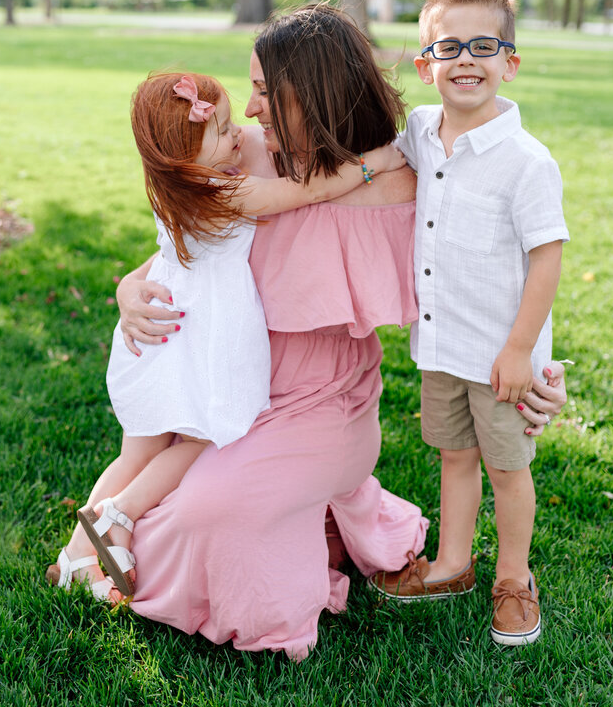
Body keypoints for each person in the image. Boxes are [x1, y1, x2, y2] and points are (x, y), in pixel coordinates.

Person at [112, 4, 568, 659]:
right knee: (162, 493)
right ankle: (314, 522)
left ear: (315, 93)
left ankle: (302, 555)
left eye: (266, 92)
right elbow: (186, 252)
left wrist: (538, 366)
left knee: (205, 512)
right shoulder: (249, 158)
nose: (248, 109)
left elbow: (506, 269)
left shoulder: (401, 186)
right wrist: (129, 290)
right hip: (237, 392)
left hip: (324, 406)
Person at [47, 69, 404, 602]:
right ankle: (119, 514)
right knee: (199, 438)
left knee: (136, 452)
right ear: (189, 157)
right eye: (222, 132)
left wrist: (129, 283)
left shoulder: (175, 189)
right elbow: (305, 189)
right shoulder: (223, 190)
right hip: (194, 338)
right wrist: (375, 163)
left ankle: (75, 555)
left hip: (160, 336)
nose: (239, 133)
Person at [370, 0, 569, 647]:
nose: (465, 61)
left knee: (508, 469)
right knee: (455, 457)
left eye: (483, 47)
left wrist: (520, 350)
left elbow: (547, 258)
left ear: (509, 62)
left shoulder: (525, 160)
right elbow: (375, 161)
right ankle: (452, 563)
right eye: (448, 48)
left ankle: (514, 577)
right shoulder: (422, 132)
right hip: (441, 344)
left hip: (501, 355)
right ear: (426, 66)